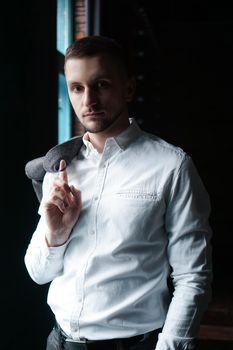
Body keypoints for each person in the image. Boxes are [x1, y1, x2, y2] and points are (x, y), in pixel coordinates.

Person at [24, 35, 212, 350]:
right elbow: (38, 273)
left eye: (101, 85)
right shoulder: (59, 168)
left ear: (128, 88)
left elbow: (193, 277)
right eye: (77, 88)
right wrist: (56, 236)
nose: (88, 102)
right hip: (59, 342)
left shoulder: (171, 166)